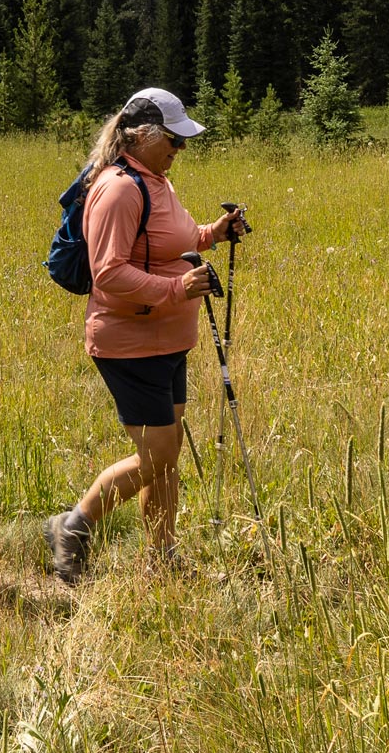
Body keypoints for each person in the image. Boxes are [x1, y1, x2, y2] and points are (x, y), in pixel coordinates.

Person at [45, 89, 247, 583]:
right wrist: (179, 287)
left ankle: (162, 556)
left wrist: (212, 234)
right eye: (174, 141)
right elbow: (108, 272)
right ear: (142, 136)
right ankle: (73, 526)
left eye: (183, 142)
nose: (181, 149)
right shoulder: (118, 189)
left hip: (167, 340)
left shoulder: (157, 181)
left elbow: (168, 239)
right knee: (158, 455)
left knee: (165, 455)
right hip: (129, 341)